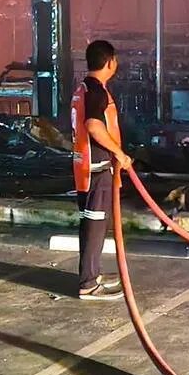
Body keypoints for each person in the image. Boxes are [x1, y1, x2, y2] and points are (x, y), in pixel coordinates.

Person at [71, 40, 131, 301]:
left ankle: (92, 275)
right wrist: (119, 153)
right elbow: (94, 126)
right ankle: (88, 284)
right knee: (95, 225)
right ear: (109, 62)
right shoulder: (95, 90)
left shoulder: (84, 88)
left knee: (93, 223)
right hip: (96, 169)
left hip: (86, 168)